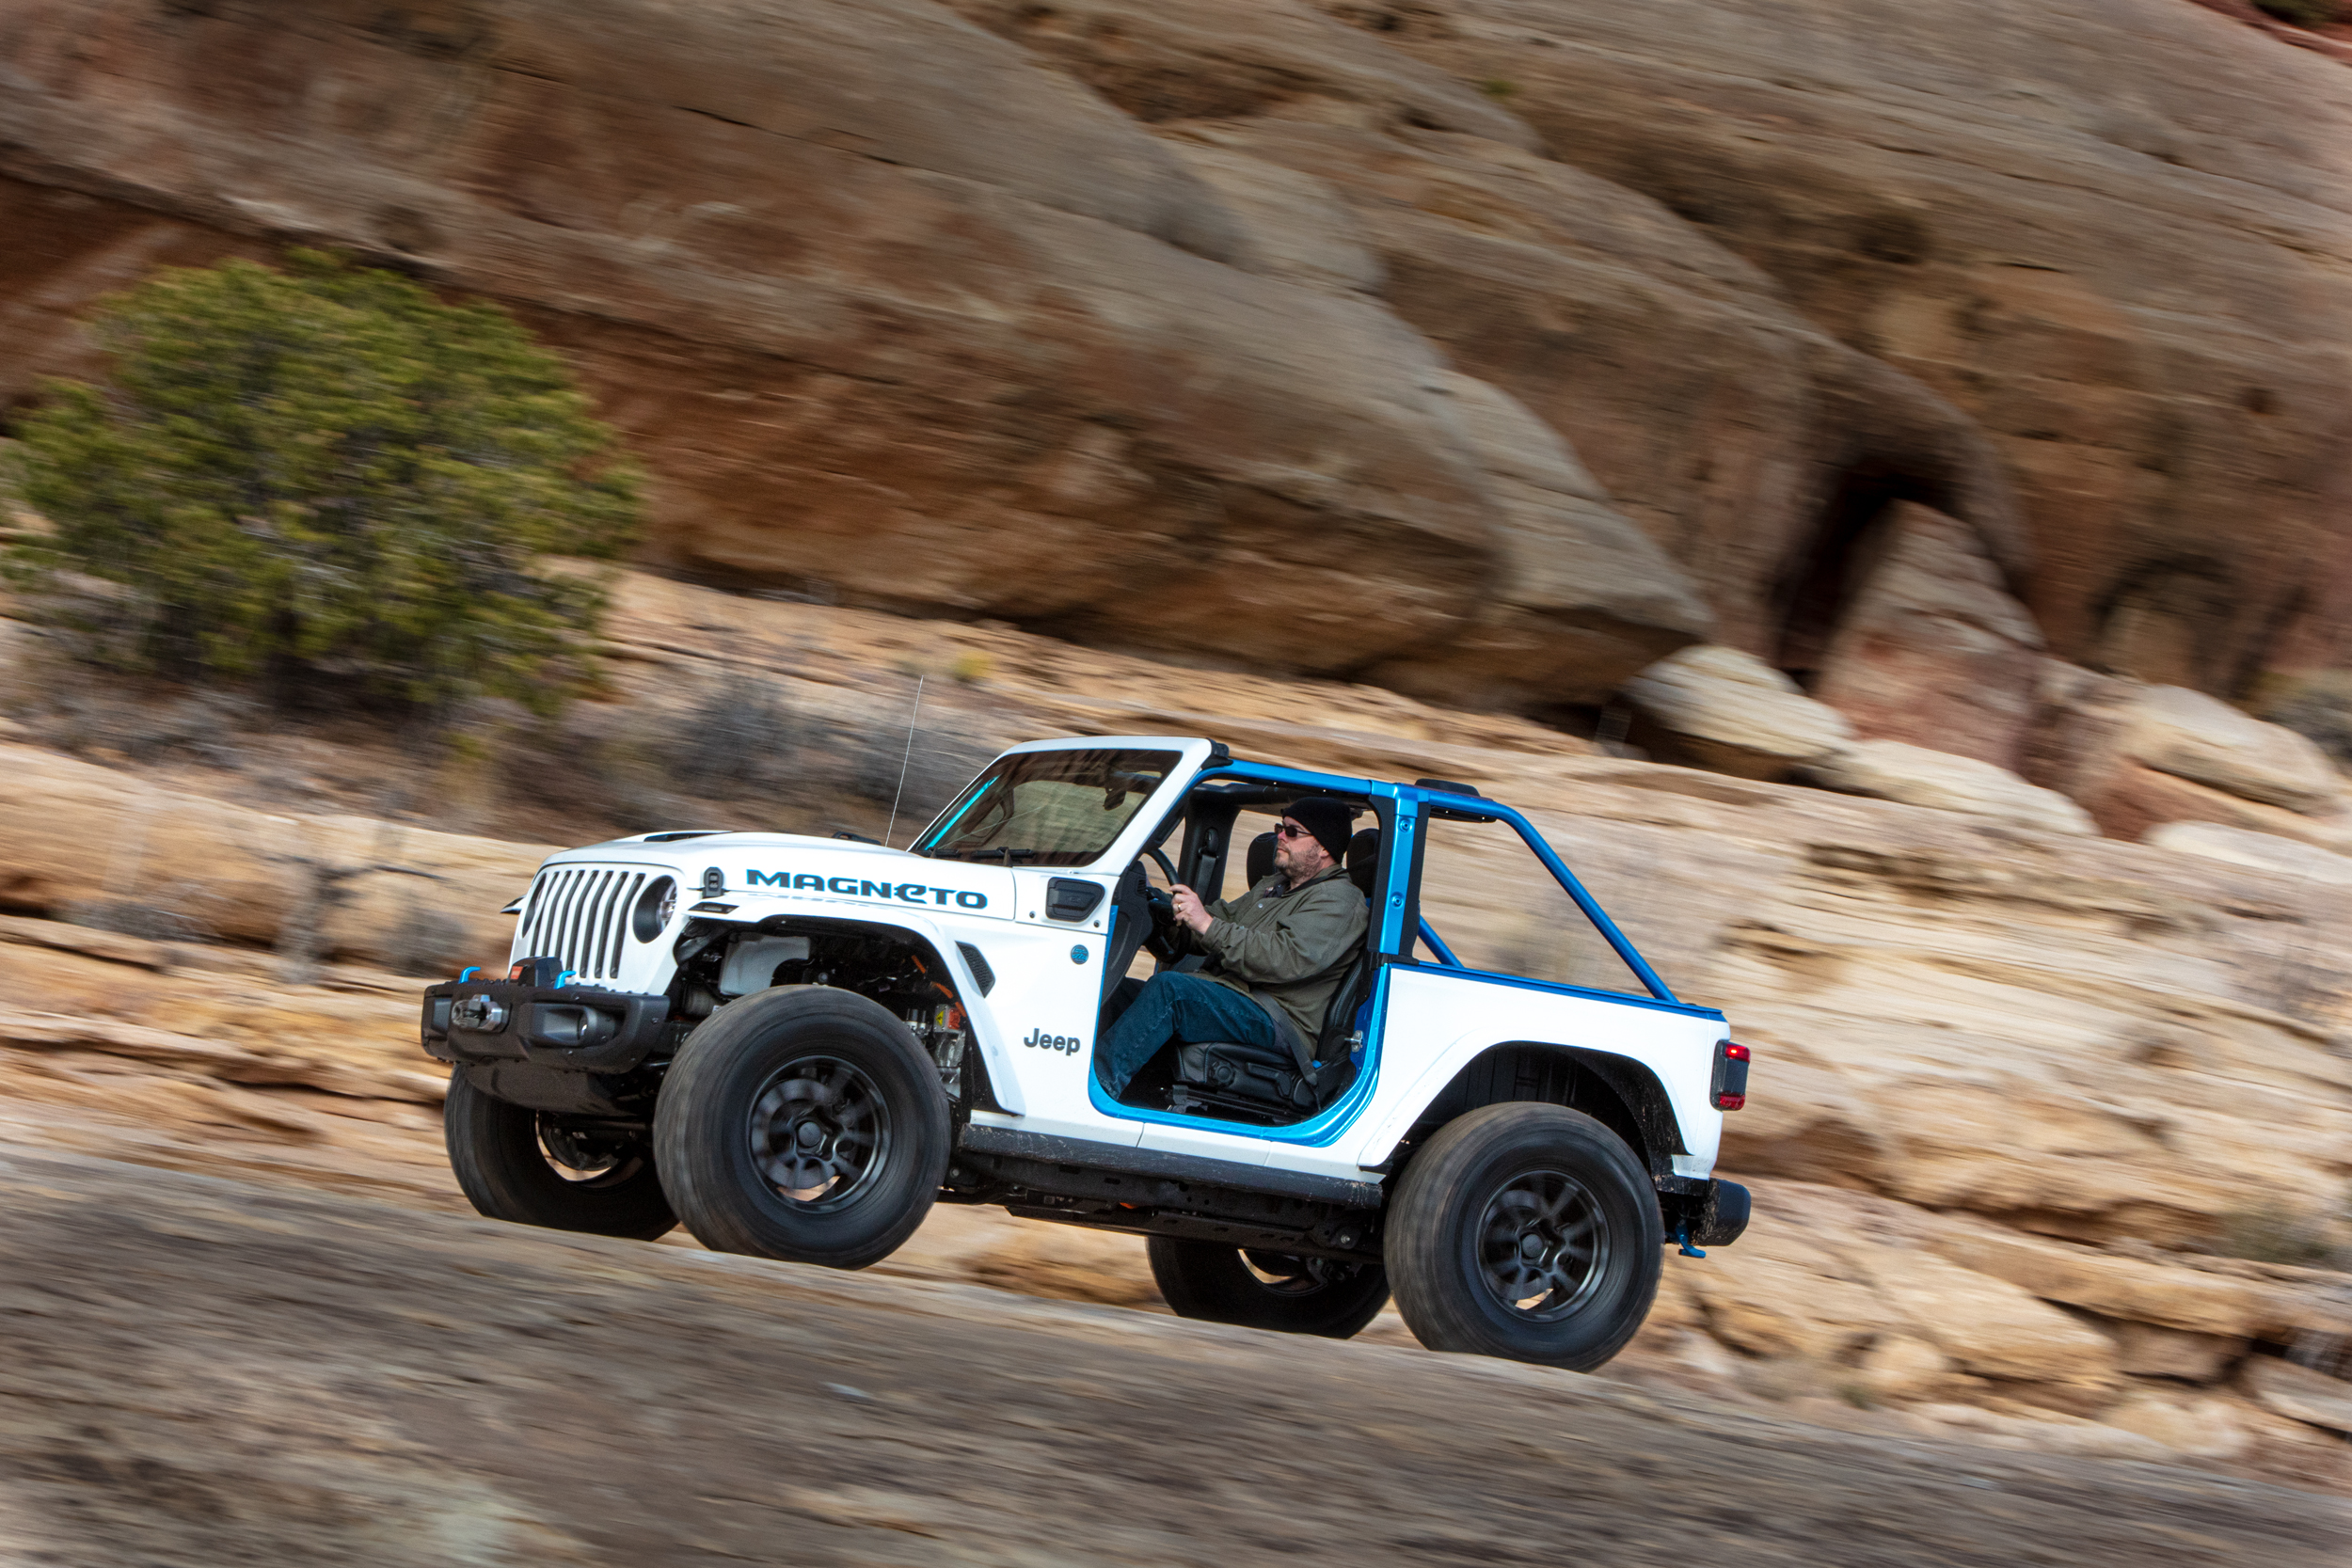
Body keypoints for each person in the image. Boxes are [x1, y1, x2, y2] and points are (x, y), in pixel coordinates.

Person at [1094, 797, 1368, 1100]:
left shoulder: (1340, 900)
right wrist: (1164, 911)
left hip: (1276, 1018)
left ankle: (1095, 1092)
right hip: (1235, 997)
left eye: (1293, 832)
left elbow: (1283, 959)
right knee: (1114, 990)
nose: (1279, 835)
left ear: (1325, 847)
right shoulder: (1275, 887)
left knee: (1171, 991)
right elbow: (1217, 921)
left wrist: (1206, 924)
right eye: (1281, 827)